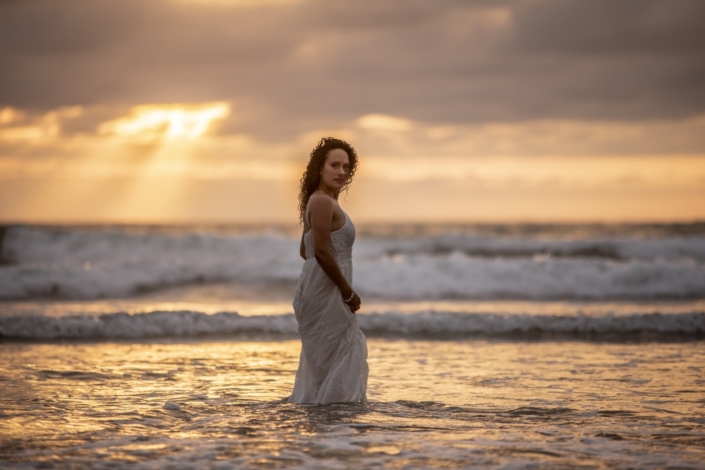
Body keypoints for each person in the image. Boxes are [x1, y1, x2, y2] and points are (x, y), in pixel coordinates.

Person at [288, 137, 369, 404]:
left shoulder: (321, 201)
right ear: (319, 169)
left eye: (346, 167)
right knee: (337, 359)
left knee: (330, 362)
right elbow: (319, 251)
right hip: (329, 293)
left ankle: (325, 427)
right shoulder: (322, 202)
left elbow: (305, 251)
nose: (341, 172)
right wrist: (346, 290)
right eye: (335, 165)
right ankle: (330, 429)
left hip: (319, 289)